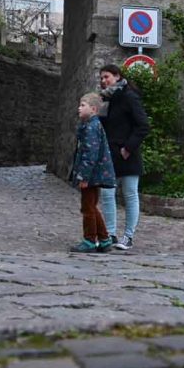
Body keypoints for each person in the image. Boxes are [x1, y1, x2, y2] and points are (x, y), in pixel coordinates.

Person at [98, 64, 150, 251]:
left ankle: (128, 236)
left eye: (107, 77)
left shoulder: (129, 96)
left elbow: (143, 125)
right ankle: (111, 234)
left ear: (117, 76)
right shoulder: (105, 99)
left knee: (129, 194)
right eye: (102, 78)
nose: (104, 81)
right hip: (109, 155)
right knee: (107, 194)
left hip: (127, 154)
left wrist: (128, 147)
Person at [69, 92, 116, 253]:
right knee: (91, 206)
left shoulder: (91, 127)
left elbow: (90, 154)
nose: (79, 108)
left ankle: (90, 239)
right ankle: (104, 239)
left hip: (92, 175)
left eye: (83, 105)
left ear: (94, 109)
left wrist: (83, 176)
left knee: (88, 207)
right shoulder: (90, 125)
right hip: (95, 174)